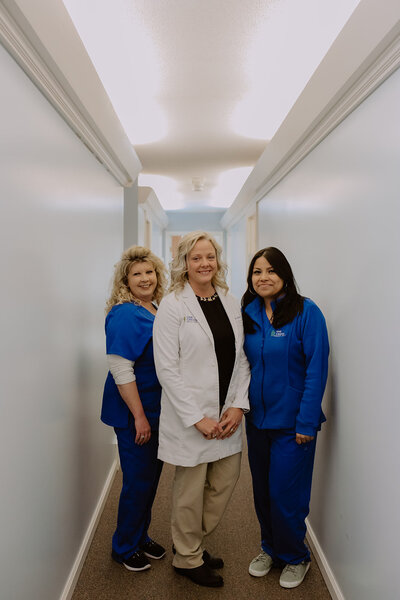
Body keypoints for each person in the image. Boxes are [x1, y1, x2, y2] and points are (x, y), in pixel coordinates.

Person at [153, 231, 250, 588]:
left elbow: (244, 358)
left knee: (224, 483)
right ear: (184, 264)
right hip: (192, 418)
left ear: (217, 260)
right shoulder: (173, 304)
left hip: (227, 413)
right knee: (190, 490)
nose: (204, 263)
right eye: (196, 258)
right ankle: (187, 556)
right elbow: (167, 368)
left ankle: (189, 541)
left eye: (209, 257)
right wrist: (197, 418)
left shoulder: (229, 298)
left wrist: (238, 405)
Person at [242, 247, 329, 589]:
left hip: (294, 425)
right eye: (257, 272)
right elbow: (242, 365)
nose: (263, 278)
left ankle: (295, 555)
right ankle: (271, 549)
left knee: (284, 494)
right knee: (262, 492)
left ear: (284, 274)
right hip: (257, 421)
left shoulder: (307, 312)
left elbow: (316, 369)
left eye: (270, 271)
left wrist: (307, 421)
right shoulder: (248, 312)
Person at [101, 246, 167, 572]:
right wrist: (139, 417)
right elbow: (121, 368)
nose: (145, 278)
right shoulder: (125, 313)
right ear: (126, 280)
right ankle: (124, 546)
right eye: (137, 273)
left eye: (149, 272)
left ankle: (140, 536)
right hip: (134, 412)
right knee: (137, 481)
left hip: (156, 409)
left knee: (151, 480)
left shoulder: (155, 307)